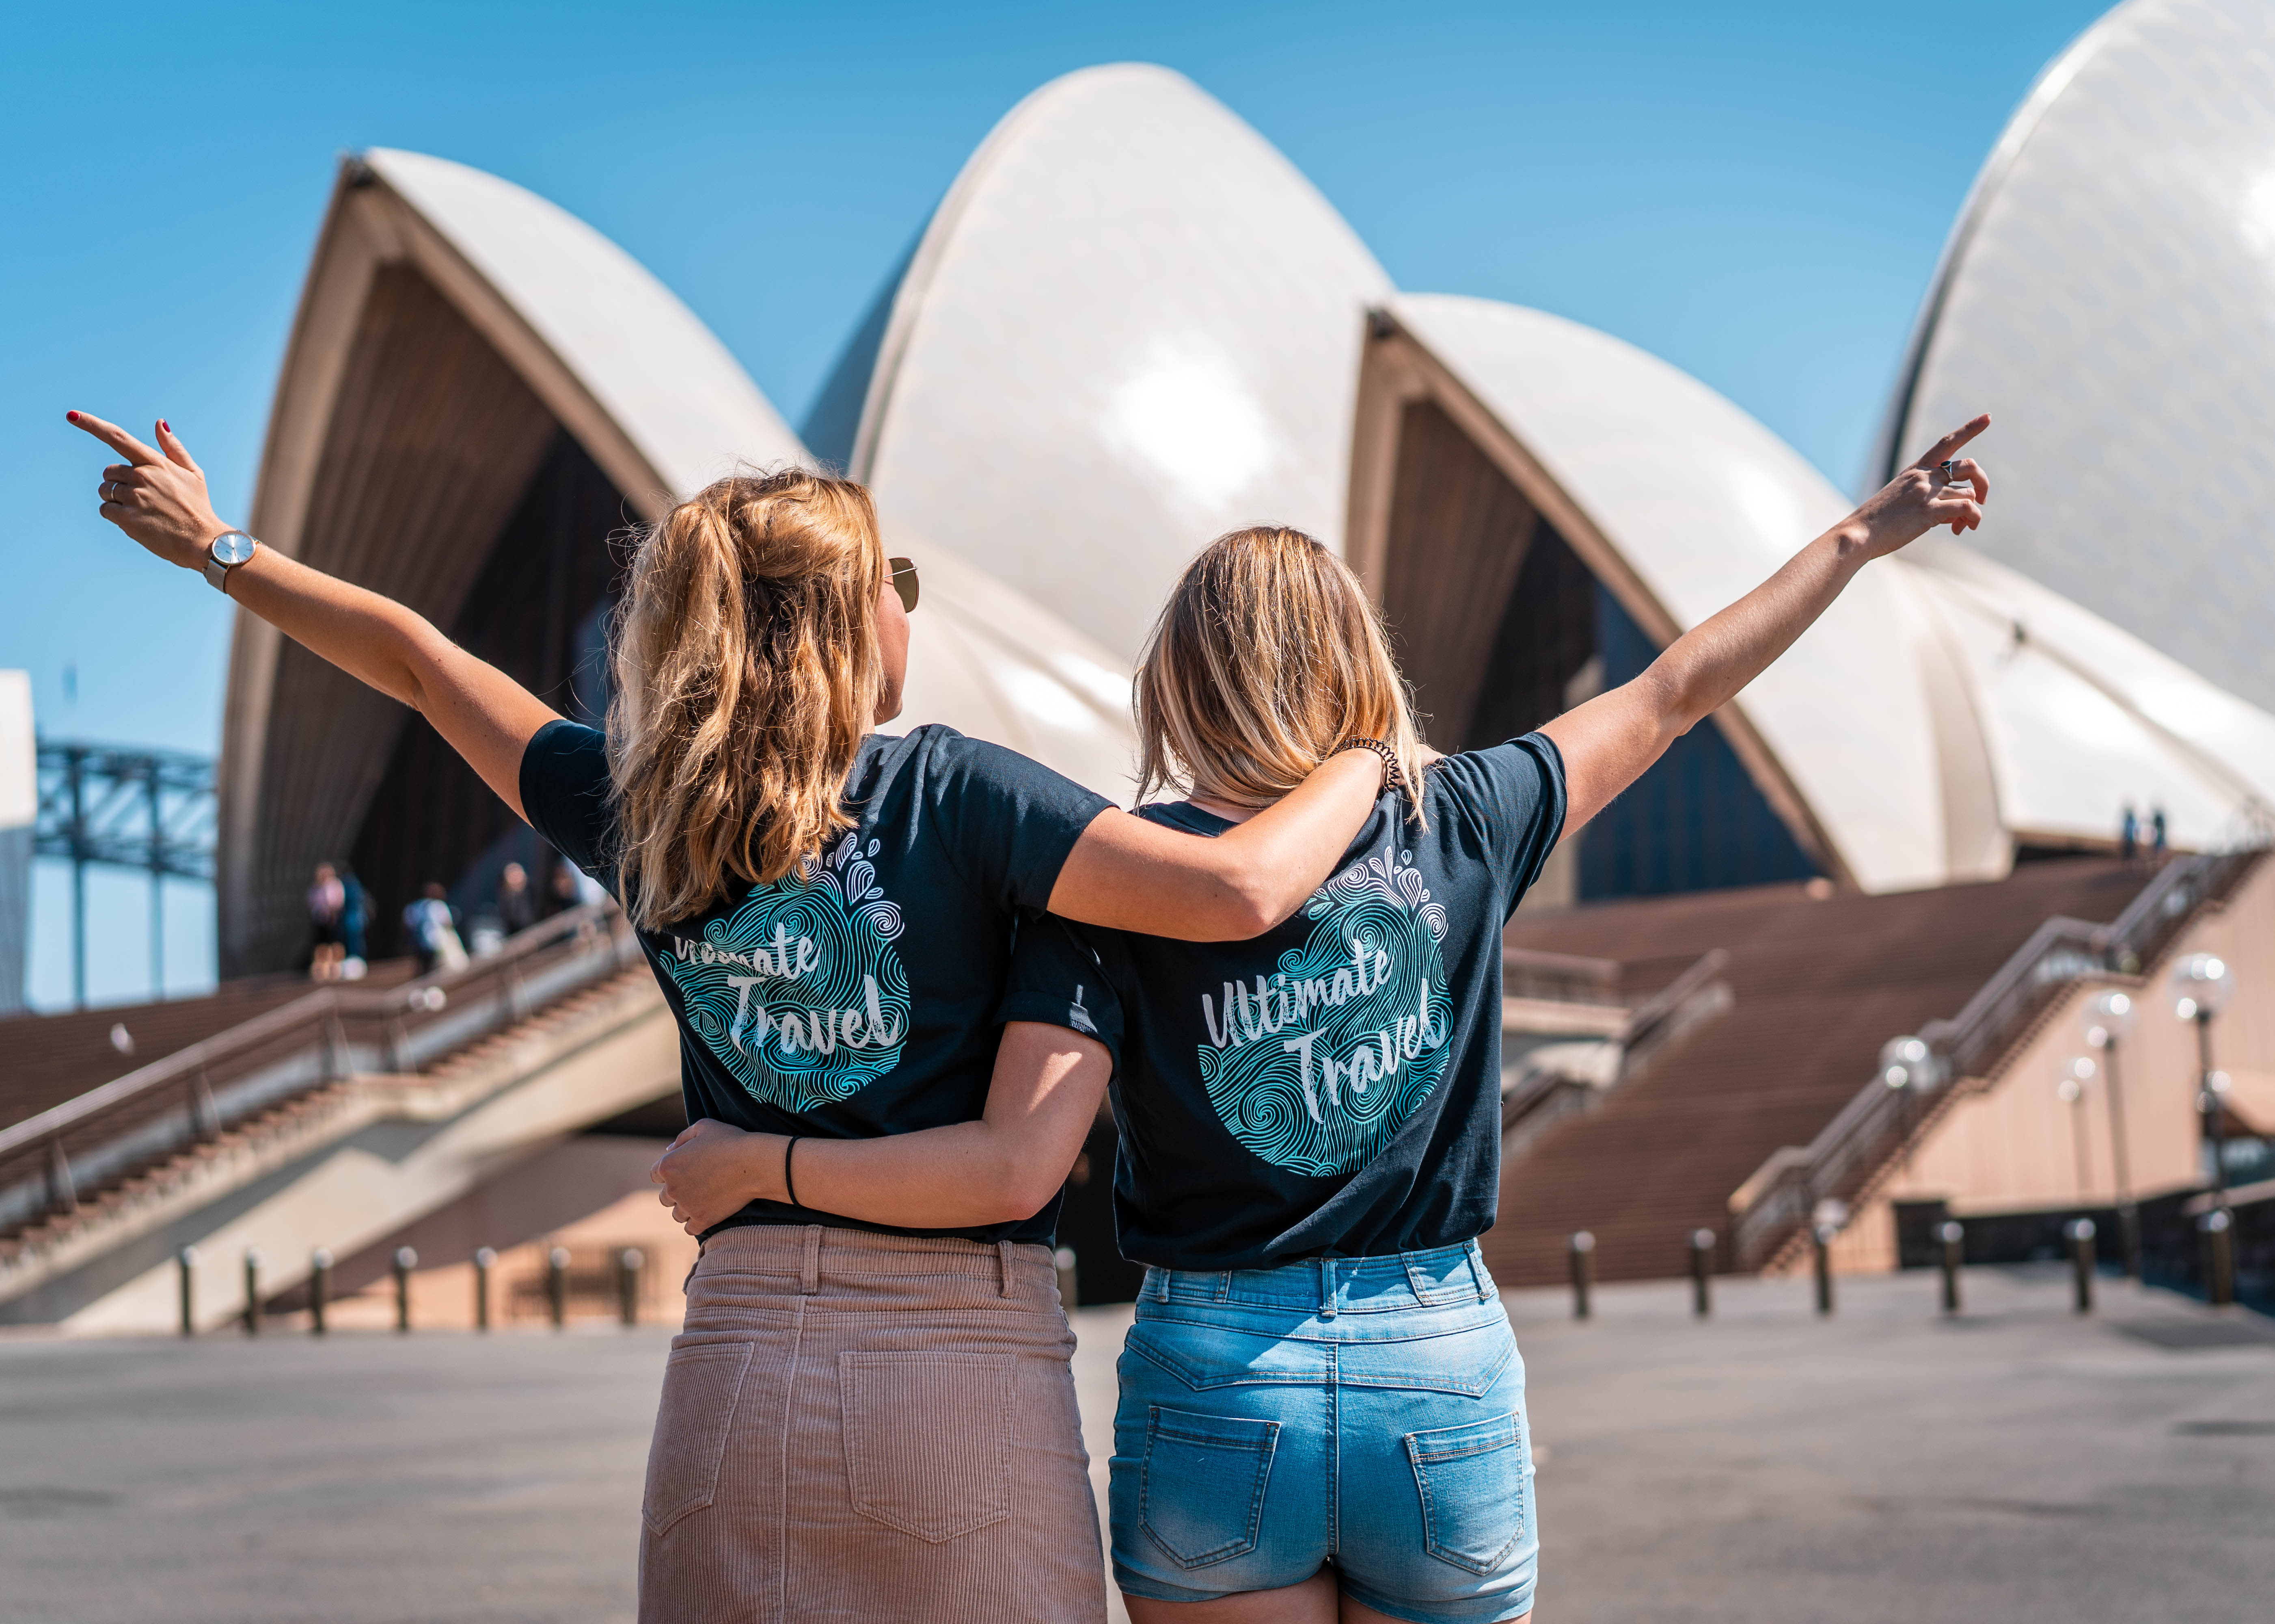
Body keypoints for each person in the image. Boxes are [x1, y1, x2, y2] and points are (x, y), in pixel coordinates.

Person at [650, 418, 1993, 1624]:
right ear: (1355, 654)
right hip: (1436, 1361)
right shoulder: (1462, 816)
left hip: (1217, 1380)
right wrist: (1859, 542)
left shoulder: (1121, 881)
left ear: (1181, 678)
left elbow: (1025, 1147)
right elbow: (1676, 690)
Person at [68, 408, 1391, 1624]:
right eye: (900, 589)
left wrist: (221, 552)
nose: (908, 615)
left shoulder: (645, 809)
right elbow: (1236, 890)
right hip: (960, 1360)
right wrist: (1366, 762)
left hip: (742, 1356)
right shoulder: (962, 796)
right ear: (849, 625)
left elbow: (420, 667)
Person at [401, 881, 468, 976]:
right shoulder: (438, 906)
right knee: (435, 968)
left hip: (419, 944)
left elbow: (408, 925)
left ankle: (421, 983)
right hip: (437, 941)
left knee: (422, 966)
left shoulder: (414, 907)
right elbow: (447, 923)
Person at [496, 861, 537, 935]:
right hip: (518, 935)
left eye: (517, 873)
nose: (516, 877)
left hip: (538, 929)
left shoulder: (533, 890)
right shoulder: (506, 899)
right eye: (512, 874)